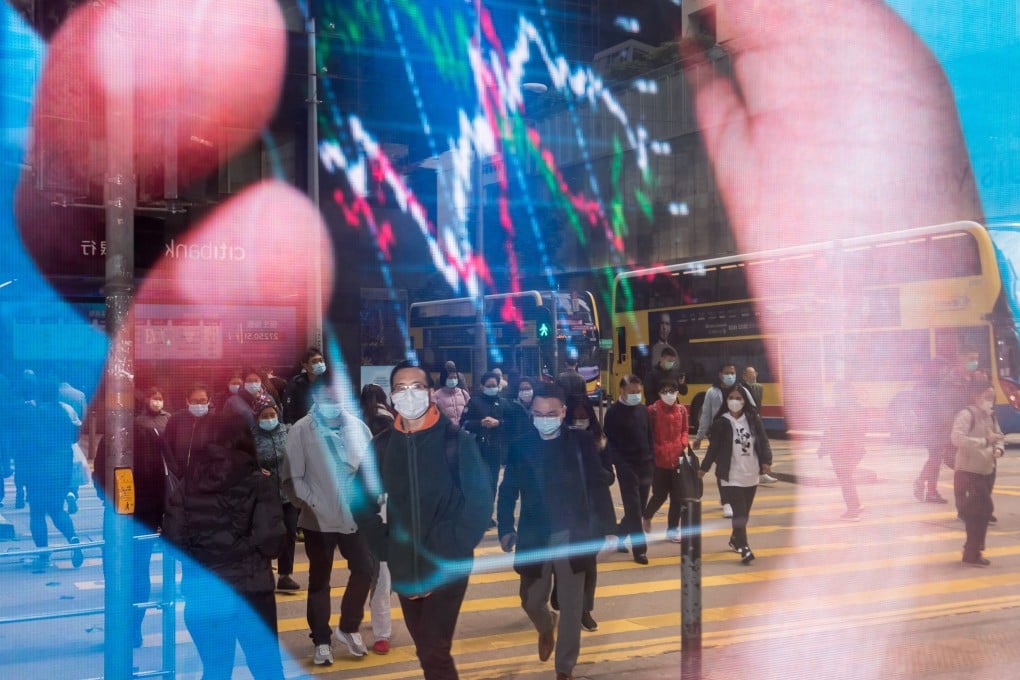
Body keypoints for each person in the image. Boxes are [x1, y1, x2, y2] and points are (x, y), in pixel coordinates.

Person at [354, 359, 492, 679]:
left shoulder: (456, 441)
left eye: (416, 387)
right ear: (391, 396)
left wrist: (456, 542)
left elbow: (481, 499)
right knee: (426, 649)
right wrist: (382, 543)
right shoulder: (383, 446)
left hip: (447, 563)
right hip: (405, 563)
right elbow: (358, 497)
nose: (409, 394)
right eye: (401, 389)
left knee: (434, 648)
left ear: (430, 392)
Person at [497, 383, 615, 680]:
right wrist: (505, 528)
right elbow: (508, 490)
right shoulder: (521, 445)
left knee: (573, 606)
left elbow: (599, 487)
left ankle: (565, 668)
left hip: (572, 534)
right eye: (538, 413)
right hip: (534, 535)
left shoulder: (581, 442)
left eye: (550, 413)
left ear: (563, 412)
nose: (544, 418)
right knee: (531, 600)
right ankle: (546, 624)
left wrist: (609, 529)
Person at [162, 412, 286, 680]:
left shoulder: (186, 485)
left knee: (216, 670)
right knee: (267, 669)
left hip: (203, 592)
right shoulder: (258, 482)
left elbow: (172, 540)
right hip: (250, 592)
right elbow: (272, 541)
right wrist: (240, 547)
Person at [282, 382, 375, 665]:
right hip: (317, 521)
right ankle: (321, 639)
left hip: (354, 517)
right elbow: (292, 478)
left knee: (365, 569)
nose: (333, 402)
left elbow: (373, 469)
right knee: (320, 580)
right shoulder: (301, 429)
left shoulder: (358, 427)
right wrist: (313, 504)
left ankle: (348, 627)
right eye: (327, 398)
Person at [93, 416, 168, 646]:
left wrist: (109, 500)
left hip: (116, 517)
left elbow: (98, 477)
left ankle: (119, 629)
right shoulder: (150, 436)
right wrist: (159, 516)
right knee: (140, 572)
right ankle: (135, 628)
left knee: (115, 575)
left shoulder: (111, 437)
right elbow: (160, 479)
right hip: (144, 517)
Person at [698, 384, 773, 565]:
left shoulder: (753, 419)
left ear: (745, 401)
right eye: (731, 397)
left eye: (739, 398)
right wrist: (703, 468)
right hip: (731, 475)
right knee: (739, 513)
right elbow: (713, 448)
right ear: (726, 400)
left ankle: (735, 538)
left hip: (751, 473)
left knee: (744, 515)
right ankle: (745, 548)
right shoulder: (721, 423)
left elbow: (762, 440)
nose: (735, 401)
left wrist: (766, 461)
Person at [557, 397, 613, 632]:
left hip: (595, 511)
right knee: (567, 561)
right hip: (567, 513)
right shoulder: (561, 443)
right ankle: (561, 593)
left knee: (588, 562)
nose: (580, 422)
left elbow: (609, 477)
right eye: (576, 418)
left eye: (584, 417)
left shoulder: (600, 442)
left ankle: (585, 609)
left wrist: (595, 458)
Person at [18, 379, 83, 571]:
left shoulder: (33, 414)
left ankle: (44, 555)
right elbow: (74, 438)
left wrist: (21, 477)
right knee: (57, 510)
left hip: (37, 473)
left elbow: (26, 447)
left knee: (37, 514)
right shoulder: (64, 413)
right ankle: (73, 538)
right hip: (60, 471)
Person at [915, 348, 982, 504]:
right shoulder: (931, 385)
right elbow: (937, 408)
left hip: (946, 427)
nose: (944, 371)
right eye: (941, 368)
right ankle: (928, 488)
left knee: (940, 460)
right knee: (937, 459)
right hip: (935, 427)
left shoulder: (951, 381)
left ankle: (925, 485)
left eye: (945, 368)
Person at [951, 380, 1004, 567]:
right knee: (981, 510)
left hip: (986, 469)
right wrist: (983, 441)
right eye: (987, 396)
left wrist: (998, 448)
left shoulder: (990, 416)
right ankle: (971, 552)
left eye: (992, 397)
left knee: (981, 512)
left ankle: (972, 551)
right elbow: (957, 438)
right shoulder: (966, 415)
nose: (990, 400)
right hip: (968, 471)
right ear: (976, 396)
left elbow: (999, 436)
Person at [602, 374, 653, 564]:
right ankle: (640, 550)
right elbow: (610, 442)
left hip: (645, 464)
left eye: (638, 392)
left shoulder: (643, 410)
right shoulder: (613, 412)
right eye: (632, 392)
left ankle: (620, 535)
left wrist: (652, 460)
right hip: (626, 466)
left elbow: (649, 436)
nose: (636, 395)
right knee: (633, 507)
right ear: (622, 391)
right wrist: (618, 463)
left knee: (638, 509)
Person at [251, 396, 300, 591]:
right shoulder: (251, 437)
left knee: (289, 534)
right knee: (266, 536)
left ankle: (285, 575)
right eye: (265, 416)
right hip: (265, 497)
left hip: (288, 494)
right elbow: (244, 462)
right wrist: (256, 470)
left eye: (273, 414)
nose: (270, 418)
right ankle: (261, 573)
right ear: (257, 417)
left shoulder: (288, 432)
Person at [643, 378, 690, 543]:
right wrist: (657, 449)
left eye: (672, 390)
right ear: (659, 393)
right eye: (665, 391)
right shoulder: (652, 410)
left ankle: (672, 529)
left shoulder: (682, 410)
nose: (669, 394)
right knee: (659, 495)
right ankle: (647, 516)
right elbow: (648, 434)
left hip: (678, 461)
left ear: (677, 392)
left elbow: (685, 431)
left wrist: (683, 443)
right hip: (659, 462)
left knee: (677, 497)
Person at [461, 370, 511, 522]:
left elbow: (512, 423)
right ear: (482, 386)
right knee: (479, 484)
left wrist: (498, 423)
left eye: (494, 385)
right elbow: (463, 423)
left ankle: (488, 514)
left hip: (496, 449)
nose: (492, 388)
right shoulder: (474, 402)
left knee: (493, 483)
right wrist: (480, 423)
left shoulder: (504, 403)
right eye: (488, 385)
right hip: (478, 449)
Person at [693, 363, 739, 518]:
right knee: (722, 468)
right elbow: (706, 415)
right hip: (718, 435)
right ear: (720, 374)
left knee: (735, 469)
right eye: (727, 373)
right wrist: (699, 436)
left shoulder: (741, 390)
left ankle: (730, 498)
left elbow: (752, 412)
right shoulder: (712, 392)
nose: (730, 376)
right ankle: (726, 502)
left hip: (737, 435)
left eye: (732, 372)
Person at [821, 382, 866, 521]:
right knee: (847, 478)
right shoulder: (857, 407)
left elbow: (831, 430)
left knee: (845, 479)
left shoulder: (839, 409)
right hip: (854, 449)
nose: (834, 395)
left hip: (842, 450)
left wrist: (824, 447)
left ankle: (853, 511)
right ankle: (856, 505)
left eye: (836, 392)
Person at [163, 383, 218, 488]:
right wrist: (175, 471)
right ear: (187, 401)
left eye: (203, 400)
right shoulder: (176, 419)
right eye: (194, 401)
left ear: (209, 400)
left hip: (206, 482)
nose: (199, 404)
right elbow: (167, 447)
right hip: (178, 480)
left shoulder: (216, 421)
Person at [282, 348, 328, 425]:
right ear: (305, 365)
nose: (319, 364)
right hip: (302, 426)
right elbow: (288, 408)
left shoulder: (330, 382)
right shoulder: (296, 383)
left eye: (321, 360)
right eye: (314, 361)